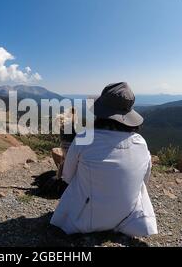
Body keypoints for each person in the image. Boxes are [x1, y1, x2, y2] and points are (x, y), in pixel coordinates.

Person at [50, 82, 158, 237]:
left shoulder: (84, 139)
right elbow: (144, 180)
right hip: (128, 219)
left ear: (100, 111)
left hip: (85, 220)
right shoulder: (140, 142)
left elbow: (67, 177)